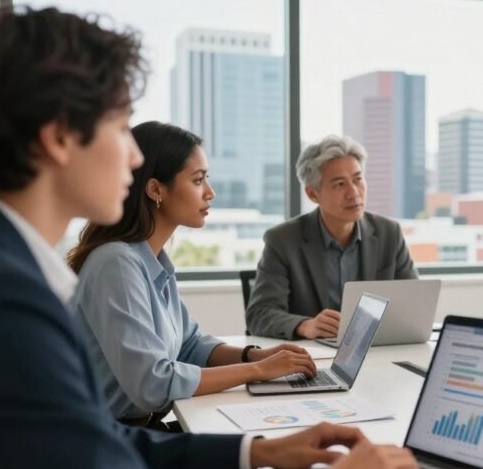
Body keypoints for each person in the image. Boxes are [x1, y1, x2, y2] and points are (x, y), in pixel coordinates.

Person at [0, 5, 423, 469]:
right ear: (58, 136)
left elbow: (90, 442)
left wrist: (255, 450)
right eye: (121, 126)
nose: (134, 153)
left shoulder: (21, 271)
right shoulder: (5, 298)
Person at [67, 121, 317, 426]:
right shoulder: (116, 264)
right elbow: (153, 384)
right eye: (198, 180)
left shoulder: (153, 261)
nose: (210, 192)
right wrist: (258, 372)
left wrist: (256, 356)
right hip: (109, 441)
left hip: (138, 430)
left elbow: (190, 345)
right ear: (156, 189)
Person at [246, 134, 418, 339]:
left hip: (376, 352)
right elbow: (259, 314)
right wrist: (305, 325)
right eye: (339, 184)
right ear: (312, 194)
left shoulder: (389, 233)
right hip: (312, 358)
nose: (353, 192)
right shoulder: (283, 240)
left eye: (358, 179)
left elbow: (413, 305)